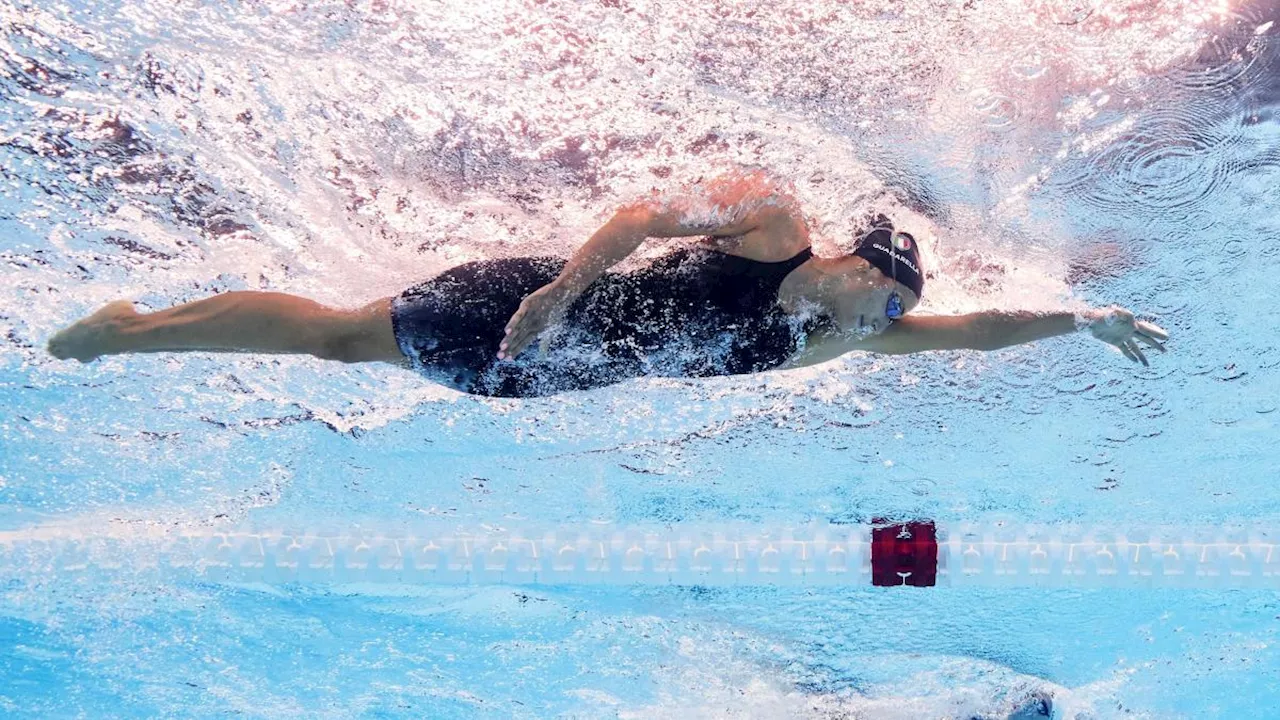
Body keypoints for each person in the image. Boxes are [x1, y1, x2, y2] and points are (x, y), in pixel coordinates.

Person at [46, 173, 1168, 398]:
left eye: (899, 315)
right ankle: (127, 328)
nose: (897, 323)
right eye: (894, 301)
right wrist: (557, 295)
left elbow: (973, 337)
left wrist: (1079, 320)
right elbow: (639, 217)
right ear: (856, 262)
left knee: (351, 350)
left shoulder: (830, 343)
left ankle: (132, 331)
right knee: (343, 340)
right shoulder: (774, 224)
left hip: (551, 378)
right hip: (534, 309)